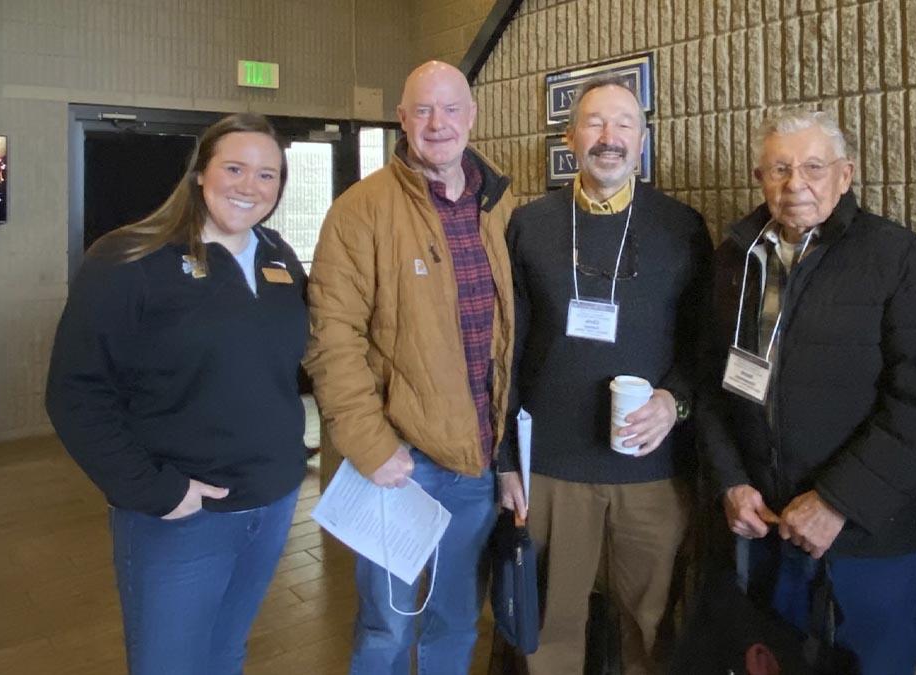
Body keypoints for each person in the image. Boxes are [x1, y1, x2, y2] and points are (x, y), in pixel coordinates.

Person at [697, 109, 916, 674]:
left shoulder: (900, 259)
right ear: (759, 178)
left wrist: (837, 502)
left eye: (814, 167)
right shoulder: (736, 259)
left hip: (870, 533)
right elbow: (712, 383)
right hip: (769, 525)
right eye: (779, 168)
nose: (796, 183)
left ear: (846, 175)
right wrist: (730, 481)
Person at [45, 112, 308, 674]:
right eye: (234, 168)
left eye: (268, 175)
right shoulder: (128, 259)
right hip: (181, 516)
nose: (250, 186)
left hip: (273, 499)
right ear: (199, 174)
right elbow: (75, 393)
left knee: (224, 652)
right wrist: (152, 490)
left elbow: (284, 368)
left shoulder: (278, 256)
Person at [304, 61, 514, 674]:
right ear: (401, 119)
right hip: (400, 467)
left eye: (451, 109)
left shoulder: (497, 205)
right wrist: (370, 446)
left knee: (455, 626)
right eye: (422, 110)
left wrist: (505, 459)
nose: (437, 123)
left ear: (471, 118)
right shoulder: (360, 210)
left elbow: (507, 338)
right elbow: (332, 337)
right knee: (387, 631)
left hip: (477, 461)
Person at [496, 75, 712, 674]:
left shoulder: (682, 227)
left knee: (651, 624)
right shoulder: (530, 225)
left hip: (651, 467)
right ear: (570, 136)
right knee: (549, 628)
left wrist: (676, 402)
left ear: (642, 141)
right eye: (594, 122)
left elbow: (703, 343)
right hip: (551, 468)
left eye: (624, 124)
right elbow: (505, 349)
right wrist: (505, 460)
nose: (608, 137)